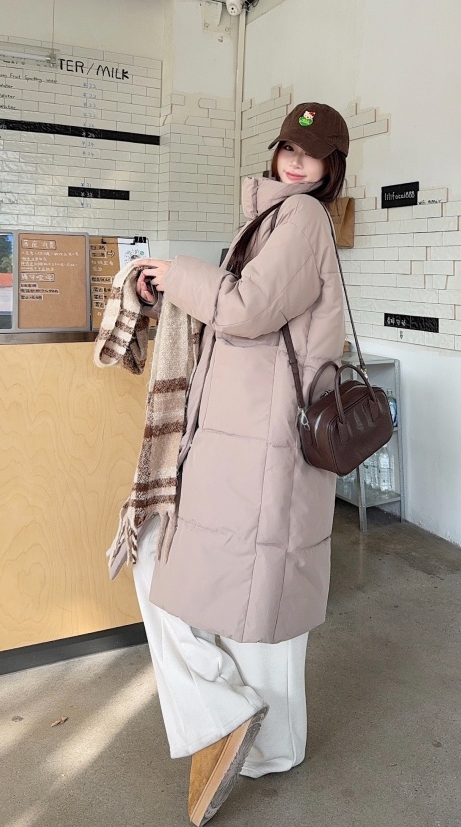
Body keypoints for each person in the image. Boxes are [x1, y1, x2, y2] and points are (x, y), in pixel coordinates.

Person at [132, 102, 348, 826]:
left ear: (331, 167)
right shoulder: (274, 219)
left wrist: (180, 272)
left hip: (261, 441)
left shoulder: (301, 219)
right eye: (289, 147)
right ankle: (264, 741)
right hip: (248, 436)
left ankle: (231, 721)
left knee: (186, 574)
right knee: (254, 593)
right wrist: (171, 287)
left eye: (312, 153)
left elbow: (248, 310)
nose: (297, 161)